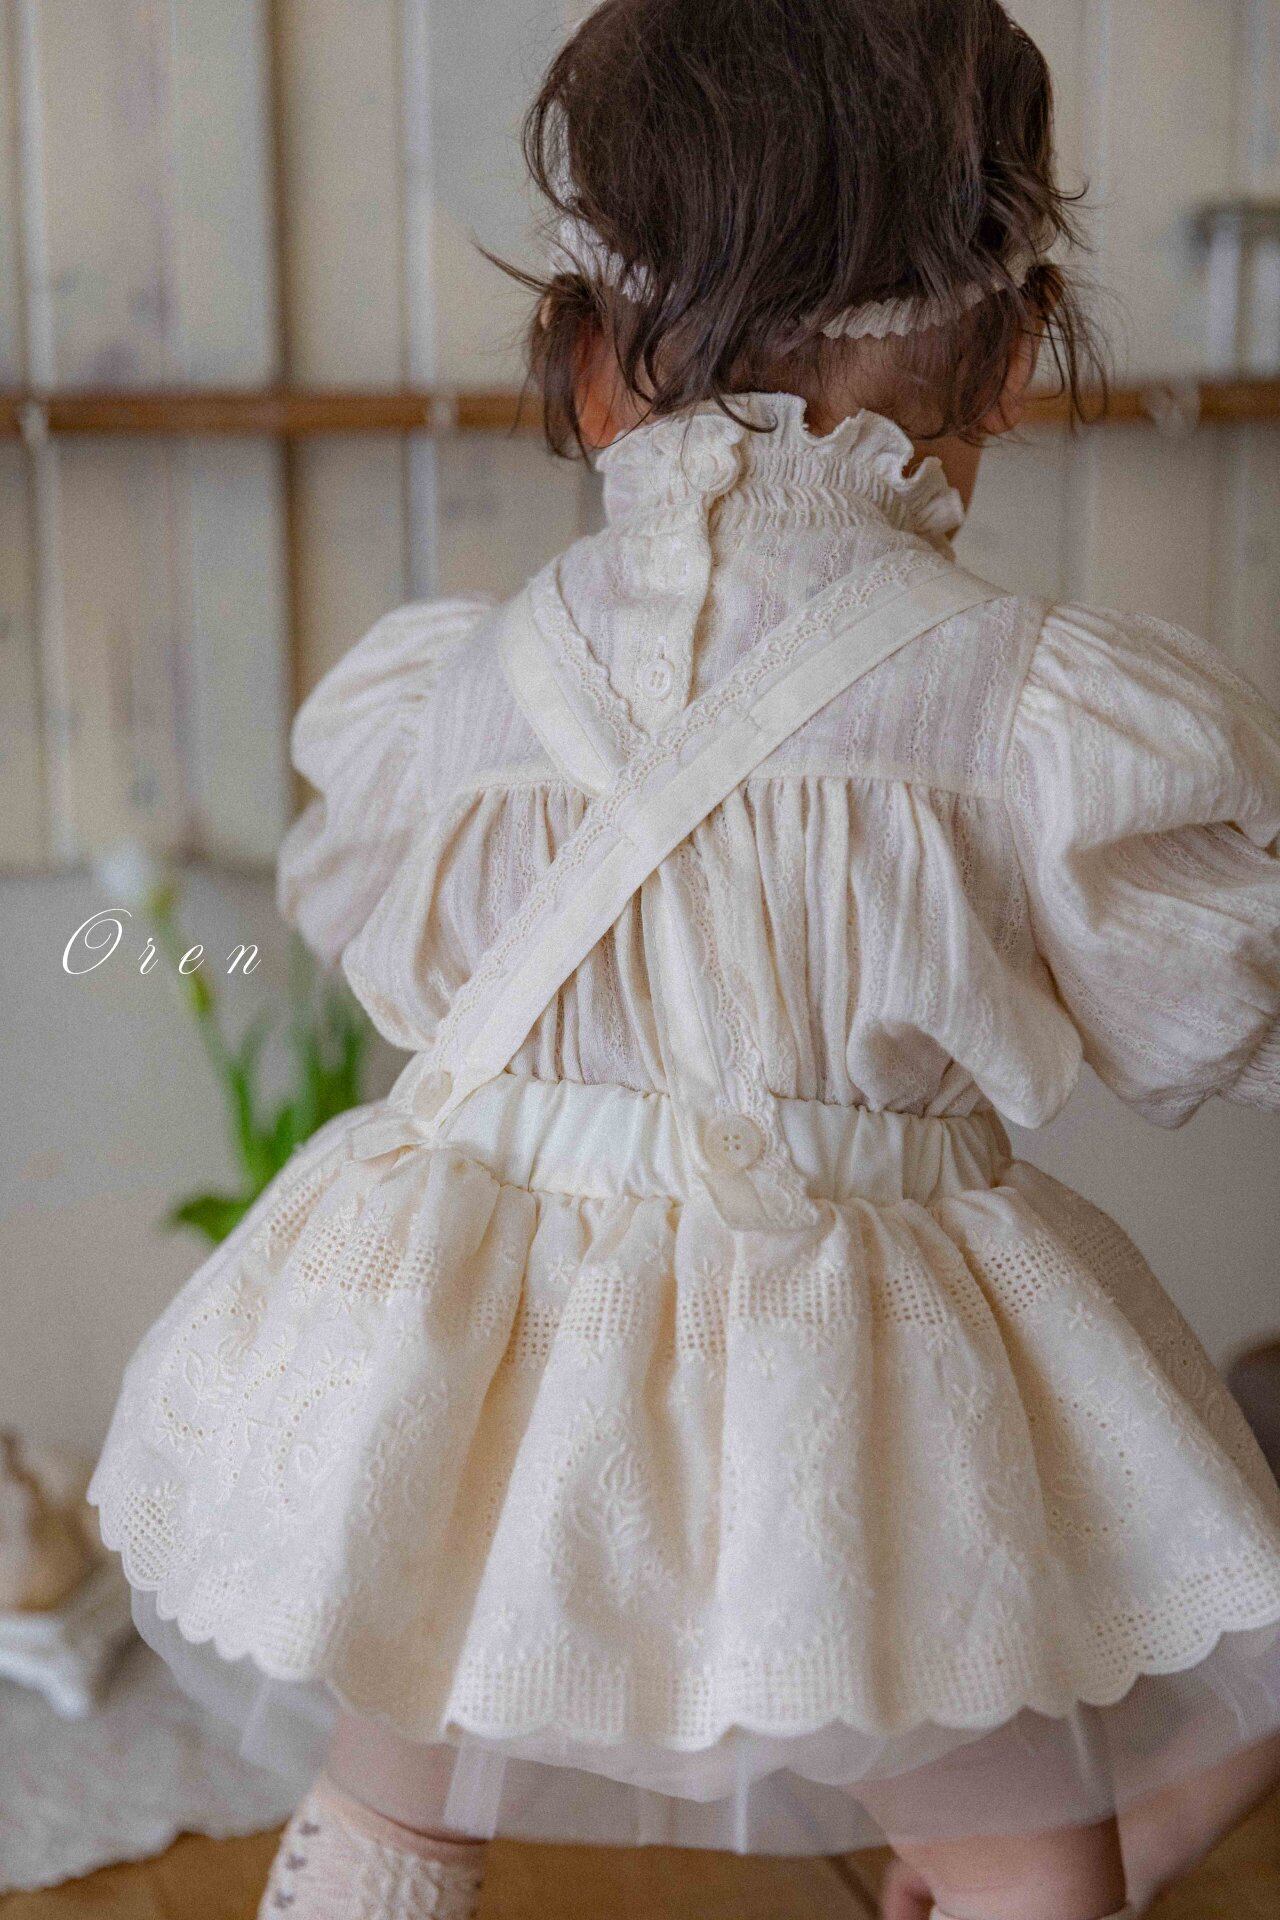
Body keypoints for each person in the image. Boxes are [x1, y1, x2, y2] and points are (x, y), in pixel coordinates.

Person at [91, 4, 1280, 1915]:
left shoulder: (455, 689)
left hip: (478, 1365)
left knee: (401, 1764)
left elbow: (377, 921)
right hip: (860, 1399)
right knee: (1021, 1840)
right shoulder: (1032, 710)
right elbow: (1204, 1009)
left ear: (584, 368)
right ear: (1009, 357)